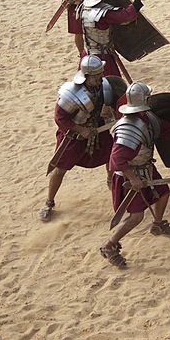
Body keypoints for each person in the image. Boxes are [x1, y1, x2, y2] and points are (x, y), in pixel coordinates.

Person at [99, 82, 170, 269]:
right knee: (136, 216)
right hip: (127, 176)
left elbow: (162, 127)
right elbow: (116, 160)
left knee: (163, 193)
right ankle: (109, 245)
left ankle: (158, 223)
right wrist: (132, 178)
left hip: (145, 168)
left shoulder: (146, 118)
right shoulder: (128, 128)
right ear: (143, 101)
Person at [39, 55, 117, 222]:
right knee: (59, 169)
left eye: (101, 73)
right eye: (97, 75)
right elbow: (60, 118)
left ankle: (111, 180)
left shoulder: (103, 86)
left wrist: (109, 116)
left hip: (98, 130)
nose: (101, 77)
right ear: (87, 76)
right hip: (73, 136)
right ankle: (49, 202)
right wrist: (80, 129)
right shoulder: (71, 93)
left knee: (112, 157)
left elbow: (110, 103)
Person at [77, 0, 152, 78]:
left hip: (88, 54)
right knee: (111, 85)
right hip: (103, 57)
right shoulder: (104, 12)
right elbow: (127, 16)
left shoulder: (82, 7)